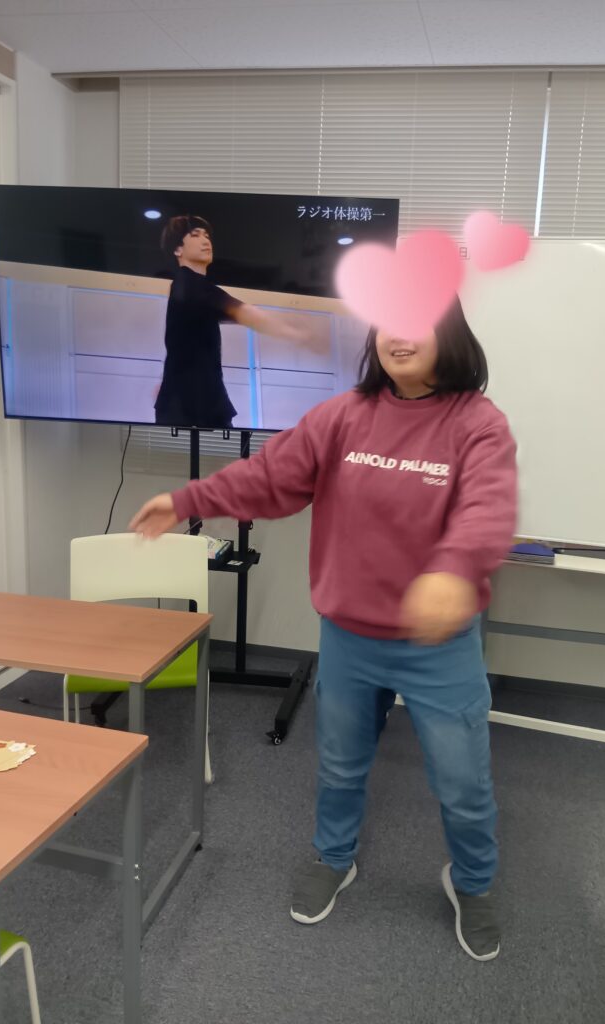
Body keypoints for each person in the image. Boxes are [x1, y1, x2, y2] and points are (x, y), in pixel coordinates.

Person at [130, 298, 518, 961]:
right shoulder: (343, 417)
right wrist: (189, 499)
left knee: (463, 782)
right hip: (350, 637)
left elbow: (487, 510)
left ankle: (471, 882)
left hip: (439, 648)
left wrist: (453, 571)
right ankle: (334, 858)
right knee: (340, 767)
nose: (398, 335)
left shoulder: (478, 424)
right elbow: (269, 477)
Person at [155, 215, 309, 429]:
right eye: (195, 235)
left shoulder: (188, 286)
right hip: (190, 407)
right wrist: (299, 334)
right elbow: (247, 314)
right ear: (177, 249)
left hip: (194, 401)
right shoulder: (190, 285)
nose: (206, 241)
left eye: (207, 236)